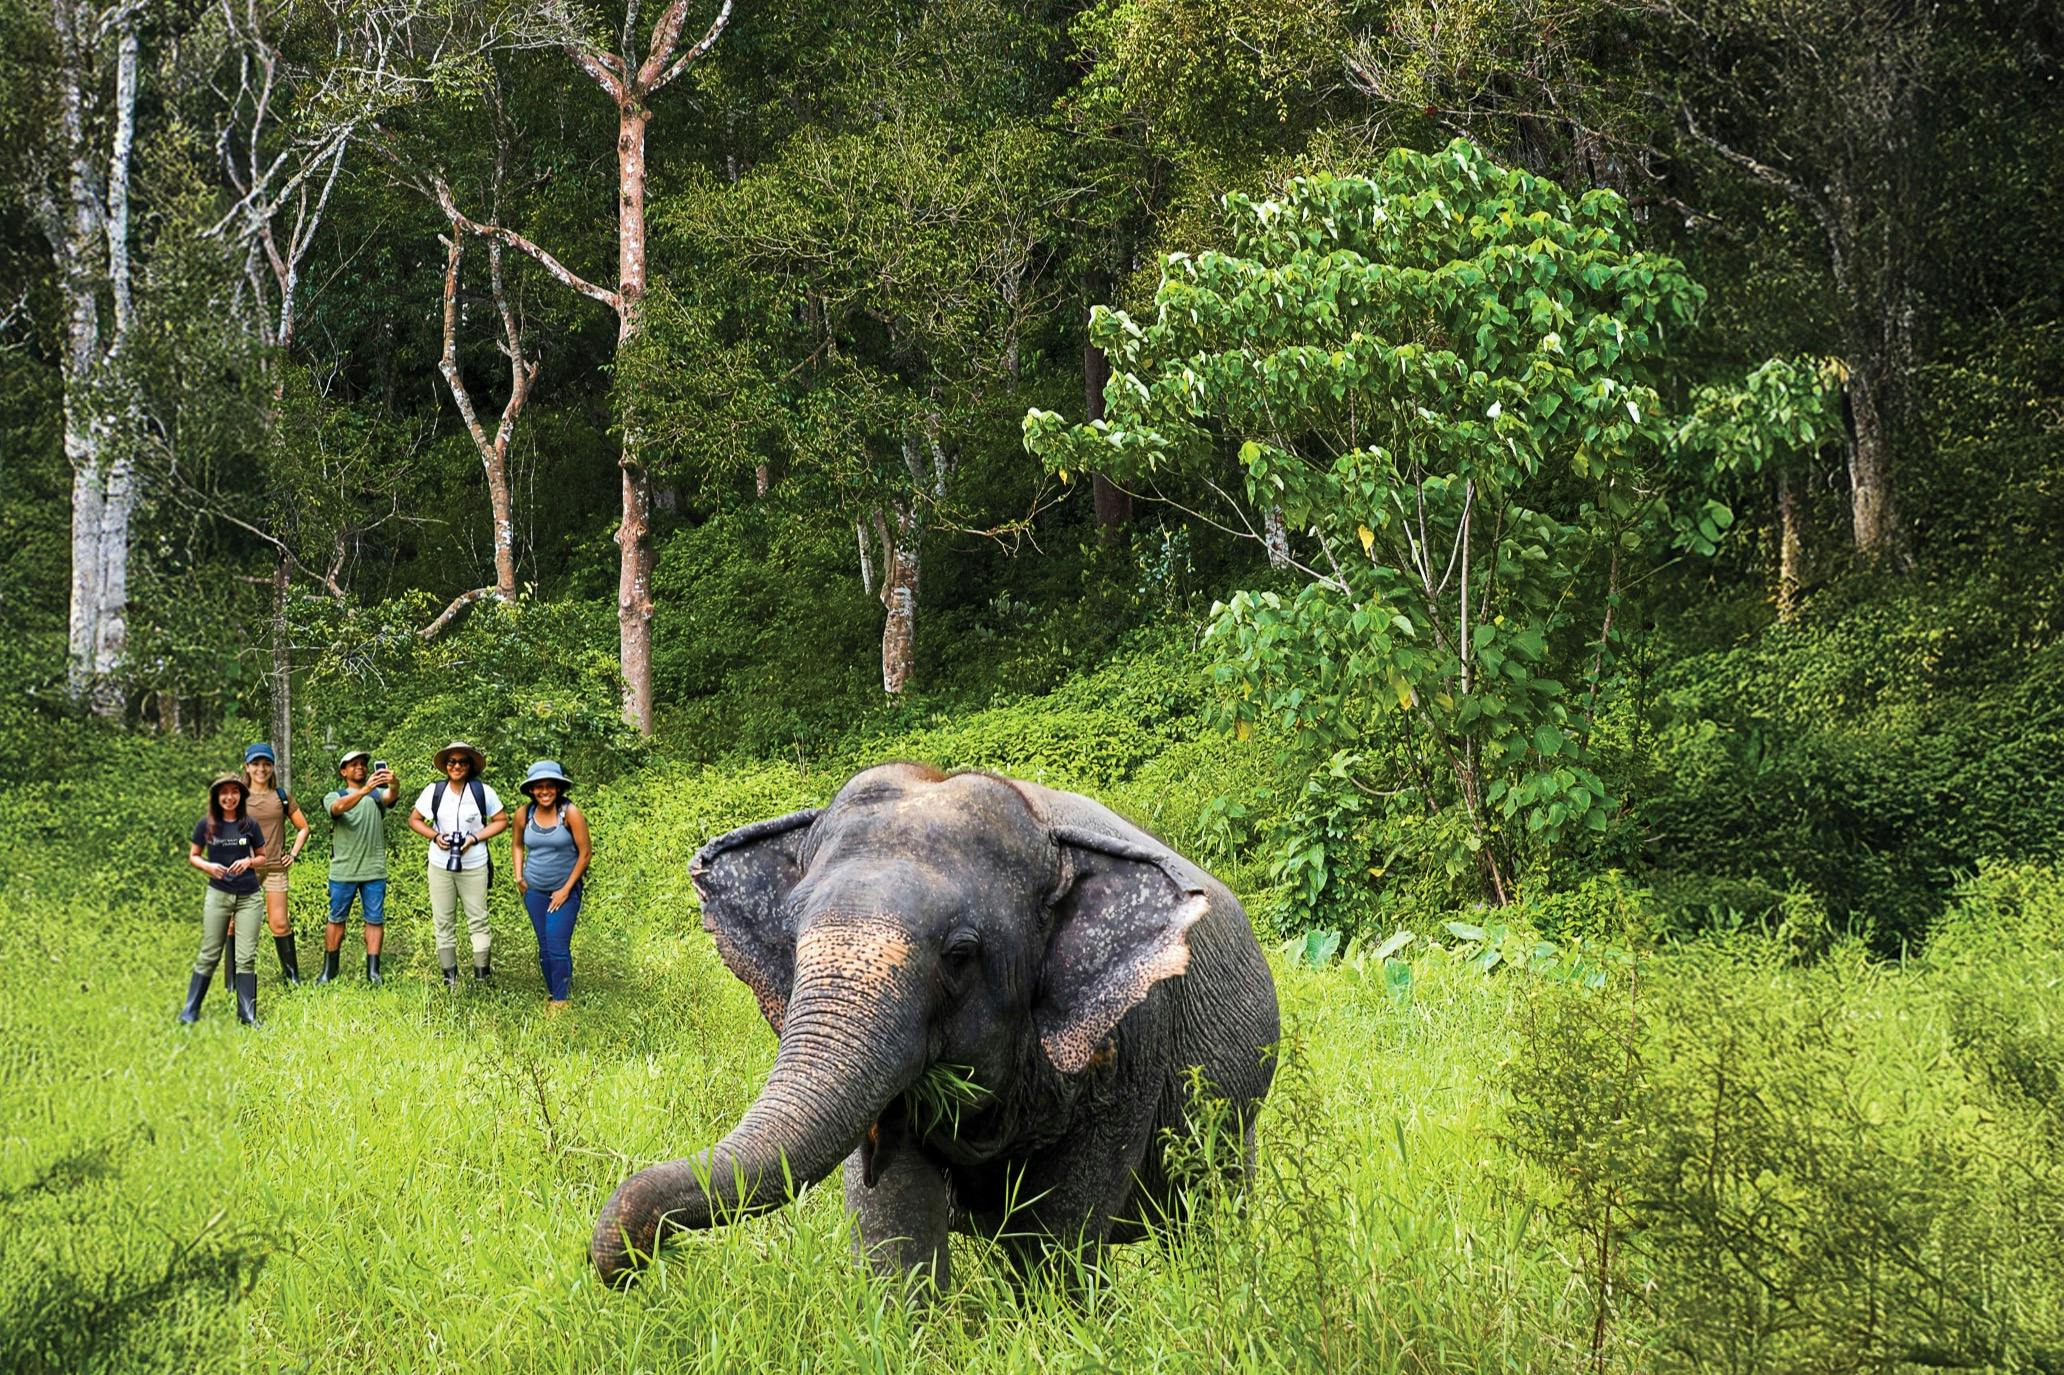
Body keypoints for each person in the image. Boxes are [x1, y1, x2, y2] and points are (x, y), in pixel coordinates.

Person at [408, 741, 508, 987]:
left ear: (470, 765)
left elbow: (501, 821)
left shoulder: (483, 792)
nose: (457, 766)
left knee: (478, 919)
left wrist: (474, 838)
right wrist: (435, 836)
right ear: (445, 766)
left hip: (474, 863)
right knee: (443, 920)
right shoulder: (434, 791)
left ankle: (482, 976)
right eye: (452, 762)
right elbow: (415, 819)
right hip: (440, 864)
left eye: (462, 762)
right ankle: (449, 977)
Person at [180, 774, 269, 1026]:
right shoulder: (206, 825)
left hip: (249, 897)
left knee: (246, 957)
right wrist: (209, 867)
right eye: (224, 793)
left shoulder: (249, 824)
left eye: (235, 792)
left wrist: (249, 861)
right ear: (216, 797)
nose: (230, 797)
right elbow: (194, 856)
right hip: (218, 895)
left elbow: (263, 857)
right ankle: (190, 1010)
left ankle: (247, 1015)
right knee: (209, 953)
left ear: (241, 796)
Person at [510, 760, 592, 1013]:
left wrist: (566, 889)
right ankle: (553, 990)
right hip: (534, 890)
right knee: (544, 946)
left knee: (557, 945)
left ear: (558, 788)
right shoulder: (524, 814)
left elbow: (585, 852)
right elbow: (517, 845)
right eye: (539, 787)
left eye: (550, 786)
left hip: (563, 891)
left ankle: (560, 999)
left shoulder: (570, 813)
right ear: (531, 790)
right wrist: (518, 876)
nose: (545, 791)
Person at [323, 749, 399, 984]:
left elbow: (392, 795)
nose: (360, 767)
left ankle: (373, 972)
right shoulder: (333, 795)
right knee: (336, 919)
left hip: (374, 870)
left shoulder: (377, 796)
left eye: (363, 764)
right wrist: (365, 789)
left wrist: (394, 782)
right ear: (343, 771)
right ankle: (329, 970)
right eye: (353, 764)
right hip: (343, 871)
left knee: (375, 919)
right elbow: (337, 809)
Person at [242, 743, 311, 985]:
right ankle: (232, 981)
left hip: (274, 867)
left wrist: (292, 854)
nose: (261, 768)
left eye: (266, 764)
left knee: (280, 923)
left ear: (272, 767)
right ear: (247, 767)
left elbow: (303, 827)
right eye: (256, 764)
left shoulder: (281, 797)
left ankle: (292, 977)